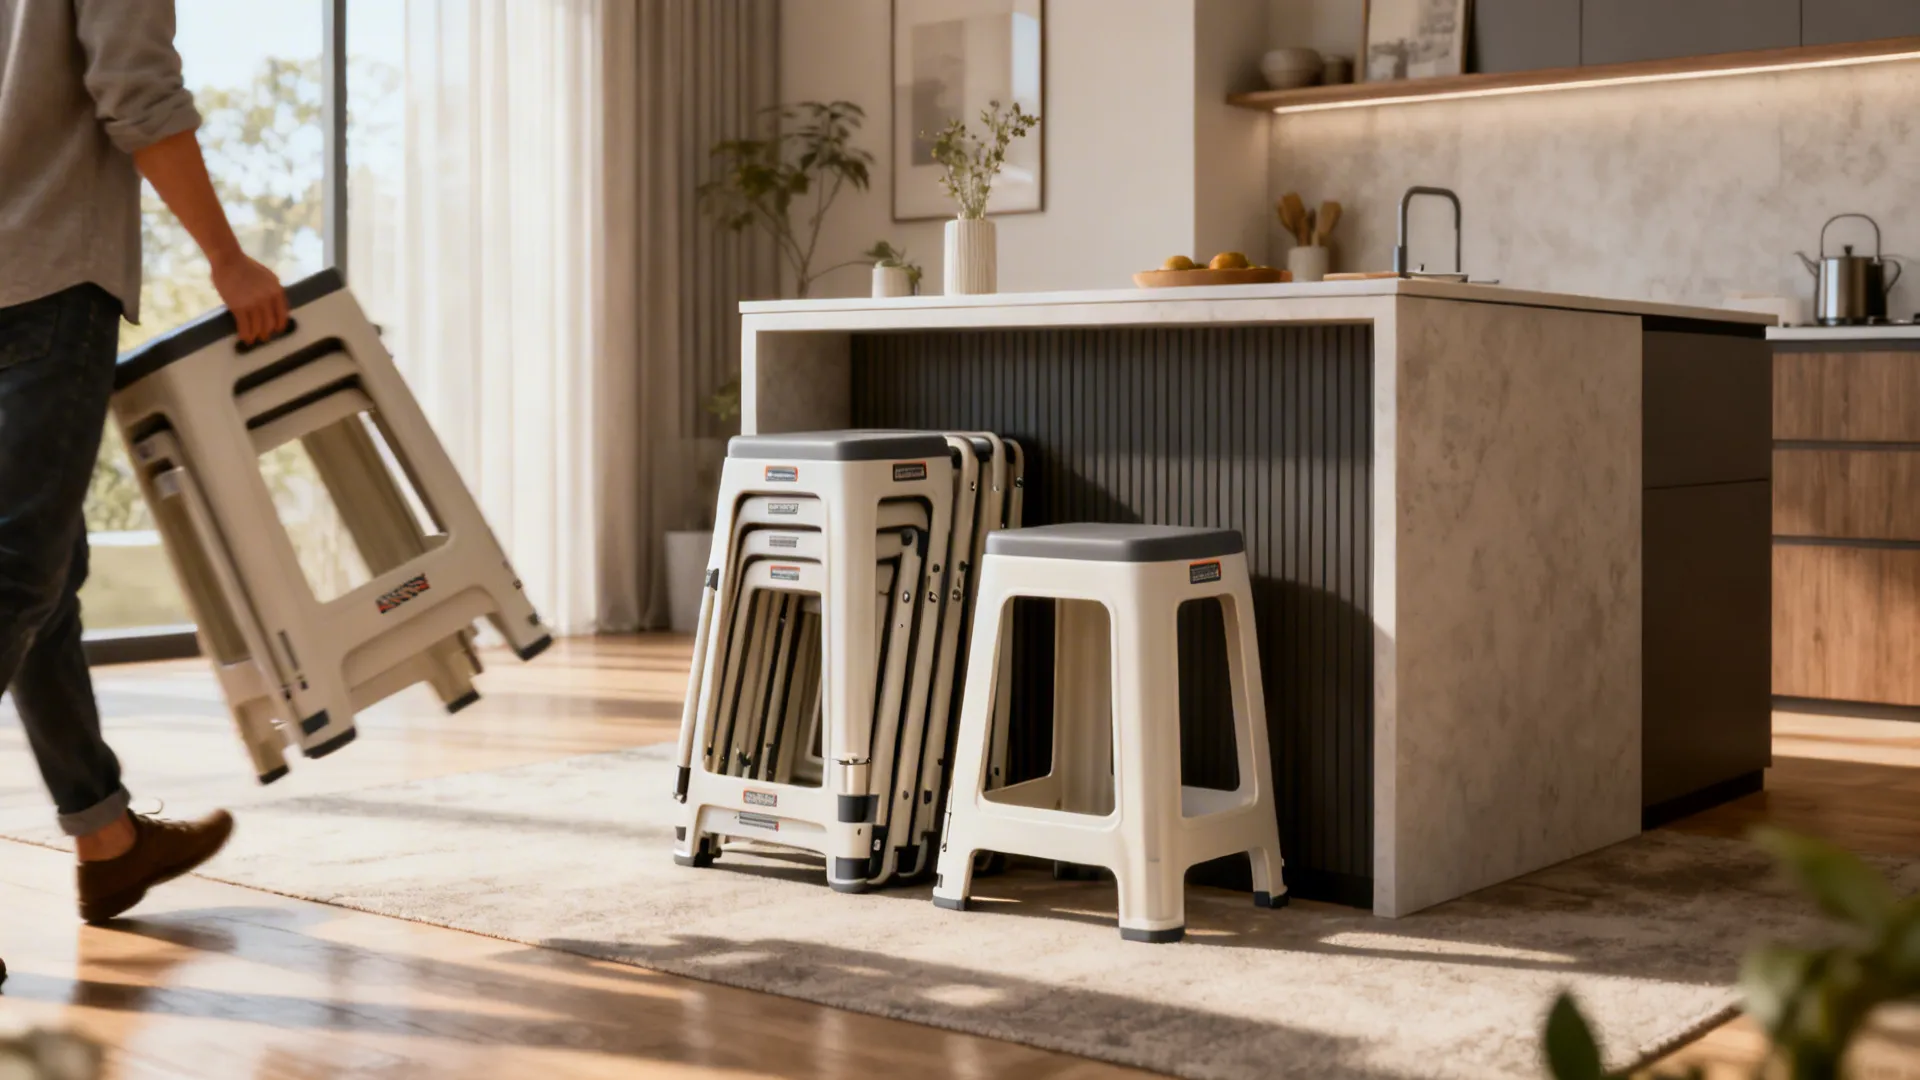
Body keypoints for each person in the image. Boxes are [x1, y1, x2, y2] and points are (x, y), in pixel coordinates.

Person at [0, 0, 290, 946]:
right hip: (41, 274)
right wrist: (227, 259)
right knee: (19, 570)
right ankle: (106, 834)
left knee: (46, 575)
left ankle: (108, 837)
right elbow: (135, 91)